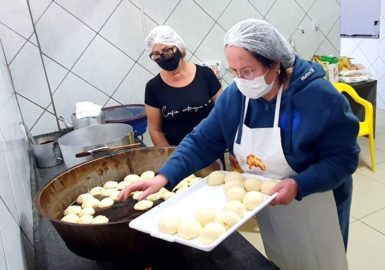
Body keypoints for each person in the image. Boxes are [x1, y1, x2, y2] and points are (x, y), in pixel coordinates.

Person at [120, 19, 359, 268]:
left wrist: (299, 185)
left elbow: (344, 158)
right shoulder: (237, 97)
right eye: (233, 72)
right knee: (284, 259)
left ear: (275, 64)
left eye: (248, 71)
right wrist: (164, 177)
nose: (240, 80)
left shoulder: (319, 96)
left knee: (322, 261)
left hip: (318, 199)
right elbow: (202, 140)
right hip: (271, 200)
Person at [144, 25, 222, 146]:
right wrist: (171, 159)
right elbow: (155, 130)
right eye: (156, 54)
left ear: (178, 48)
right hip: (178, 155)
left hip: (212, 148)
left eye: (167, 51)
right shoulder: (153, 88)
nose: (162, 57)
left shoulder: (205, 75)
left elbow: (223, 112)